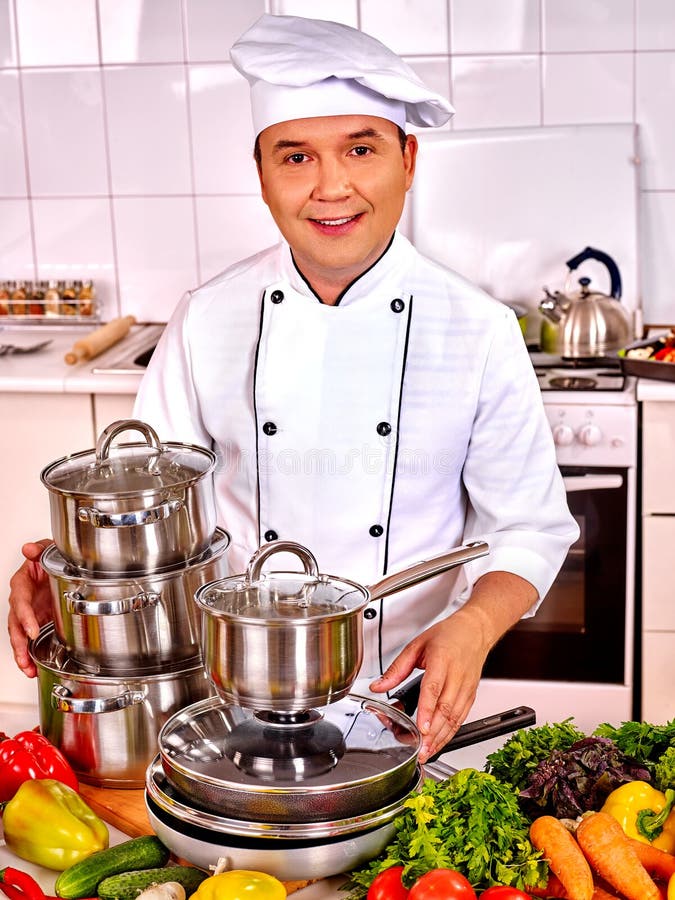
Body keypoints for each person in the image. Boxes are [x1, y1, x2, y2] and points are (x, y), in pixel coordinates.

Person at [7, 14, 578, 764]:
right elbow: (156, 516)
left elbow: (529, 529)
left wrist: (471, 627)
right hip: (224, 703)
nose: (330, 187)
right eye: (296, 156)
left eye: (361, 150)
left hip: (401, 695)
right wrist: (74, 574)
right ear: (262, 174)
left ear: (408, 158)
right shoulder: (206, 320)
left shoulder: (478, 330)